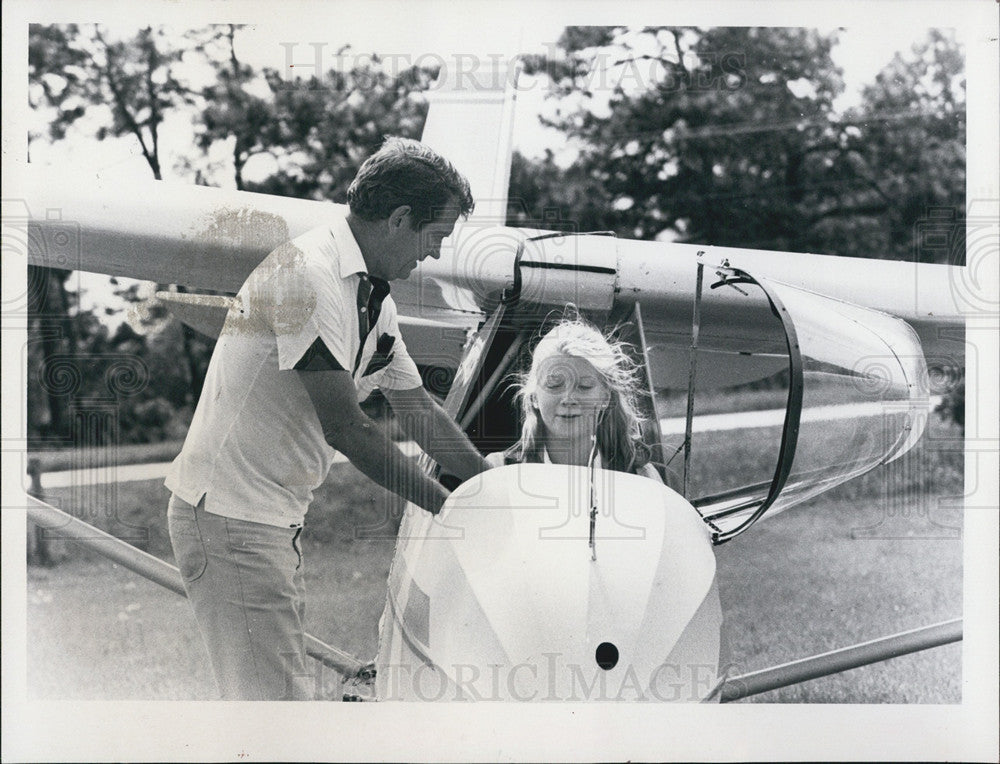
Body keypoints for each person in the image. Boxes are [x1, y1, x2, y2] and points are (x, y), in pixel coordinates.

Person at [164, 137, 489, 700]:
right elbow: (350, 429)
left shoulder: (373, 298)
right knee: (275, 718)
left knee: (274, 709)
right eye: (435, 237)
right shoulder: (307, 274)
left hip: (265, 518)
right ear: (400, 218)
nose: (433, 255)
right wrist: (455, 508)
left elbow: (417, 408)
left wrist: (493, 486)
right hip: (231, 518)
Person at [485, 316, 661, 480]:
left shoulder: (640, 476)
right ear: (534, 398)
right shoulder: (499, 471)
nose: (568, 398)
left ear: (606, 398)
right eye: (554, 386)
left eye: (584, 386)